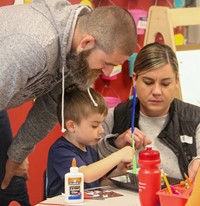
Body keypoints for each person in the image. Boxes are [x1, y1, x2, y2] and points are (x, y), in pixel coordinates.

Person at [0, 0, 137, 204]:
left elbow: (49, 106)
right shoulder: (32, 46)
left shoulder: (78, 53)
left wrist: (17, 155)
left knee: (12, 183)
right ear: (87, 43)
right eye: (107, 63)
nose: (107, 72)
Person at [96, 42, 200, 183]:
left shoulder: (195, 118)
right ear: (135, 79)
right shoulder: (113, 117)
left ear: (176, 81)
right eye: (148, 82)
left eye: (165, 83)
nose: (156, 91)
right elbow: (85, 167)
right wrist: (114, 144)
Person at [46, 86, 134, 198]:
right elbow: (85, 175)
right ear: (72, 126)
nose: (102, 130)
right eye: (95, 125)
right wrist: (120, 154)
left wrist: (118, 171)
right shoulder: (60, 151)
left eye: (102, 124)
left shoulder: (91, 151)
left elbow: (96, 187)